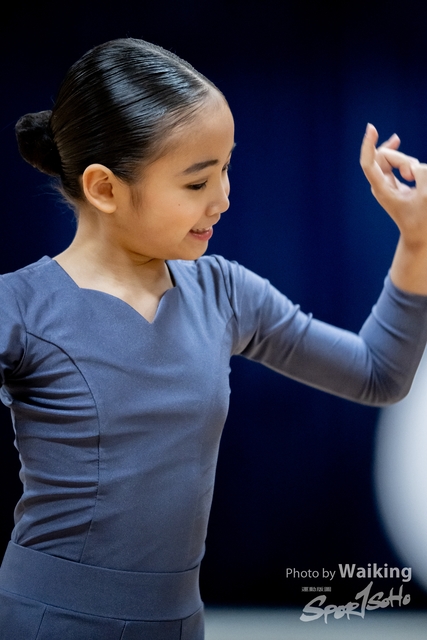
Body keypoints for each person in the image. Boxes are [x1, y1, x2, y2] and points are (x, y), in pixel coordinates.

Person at [1, 37, 427, 640]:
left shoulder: (222, 291)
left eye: (225, 169)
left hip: (180, 624)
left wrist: (417, 241)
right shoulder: (19, 307)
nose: (224, 199)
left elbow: (378, 374)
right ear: (104, 188)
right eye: (197, 182)